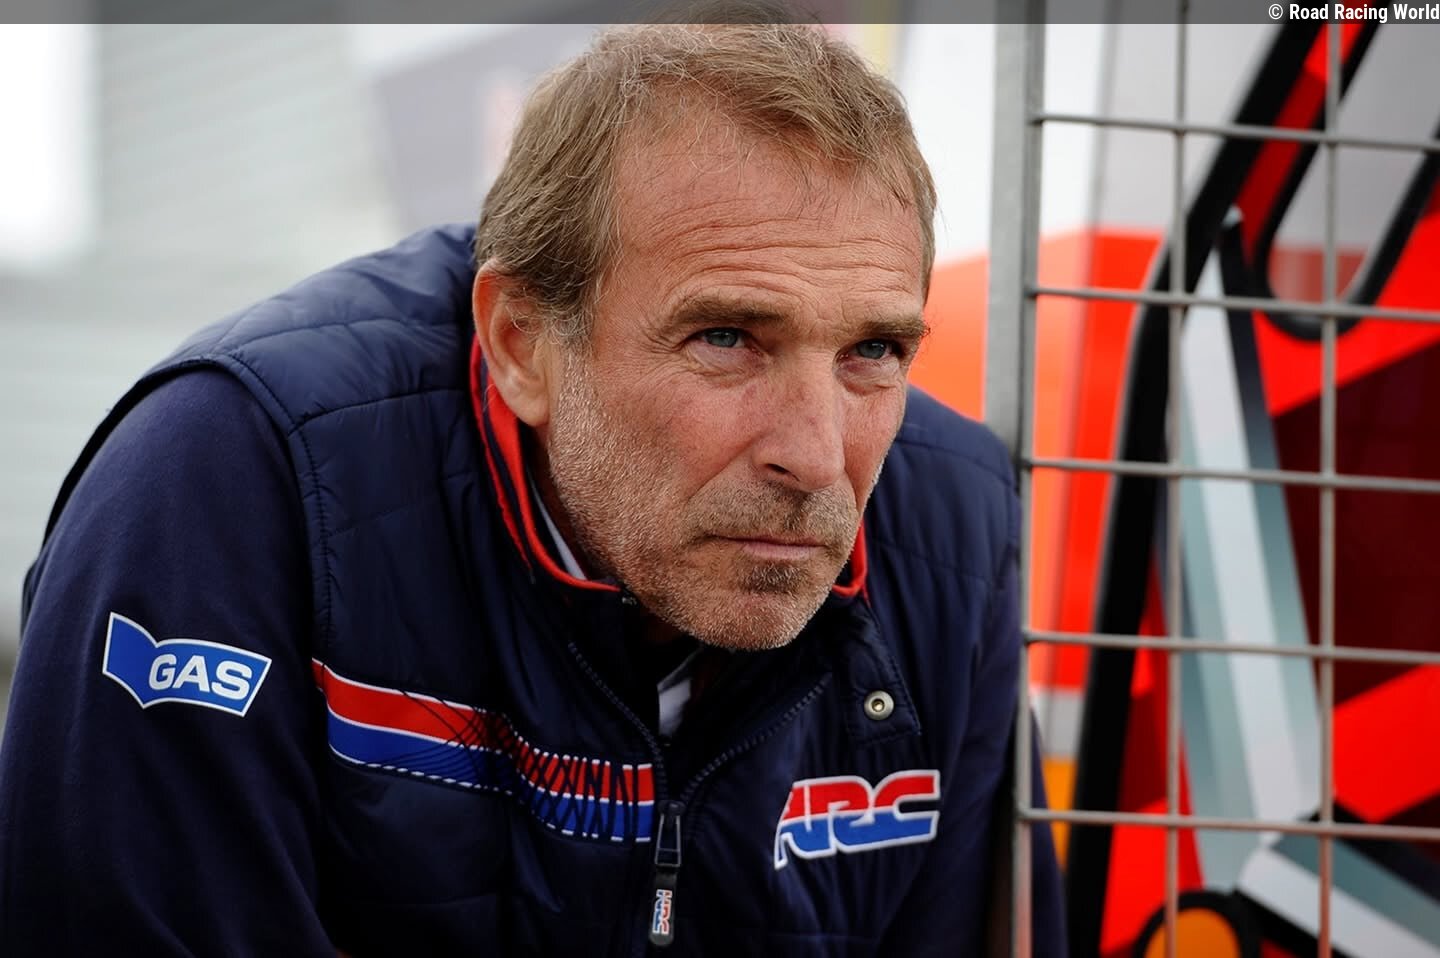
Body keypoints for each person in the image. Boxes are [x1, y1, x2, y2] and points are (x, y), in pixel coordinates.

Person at [0, 19, 1065, 957]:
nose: (819, 455)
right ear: (520, 342)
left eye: (873, 351)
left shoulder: (951, 529)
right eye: (727, 337)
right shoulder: (230, 478)